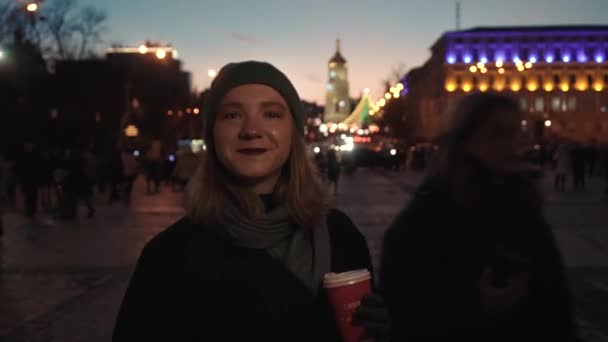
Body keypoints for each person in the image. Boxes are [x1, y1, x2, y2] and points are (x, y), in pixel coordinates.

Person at [113, 61, 385, 341]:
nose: (252, 130)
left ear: (294, 133)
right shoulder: (168, 258)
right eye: (232, 115)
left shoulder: (341, 235)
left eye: (271, 114)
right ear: (212, 135)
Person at [380, 92, 580, 341]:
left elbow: (558, 309)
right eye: (498, 133)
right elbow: (402, 320)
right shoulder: (423, 224)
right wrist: (474, 308)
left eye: (517, 131)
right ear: (465, 141)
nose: (513, 142)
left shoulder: (523, 211)